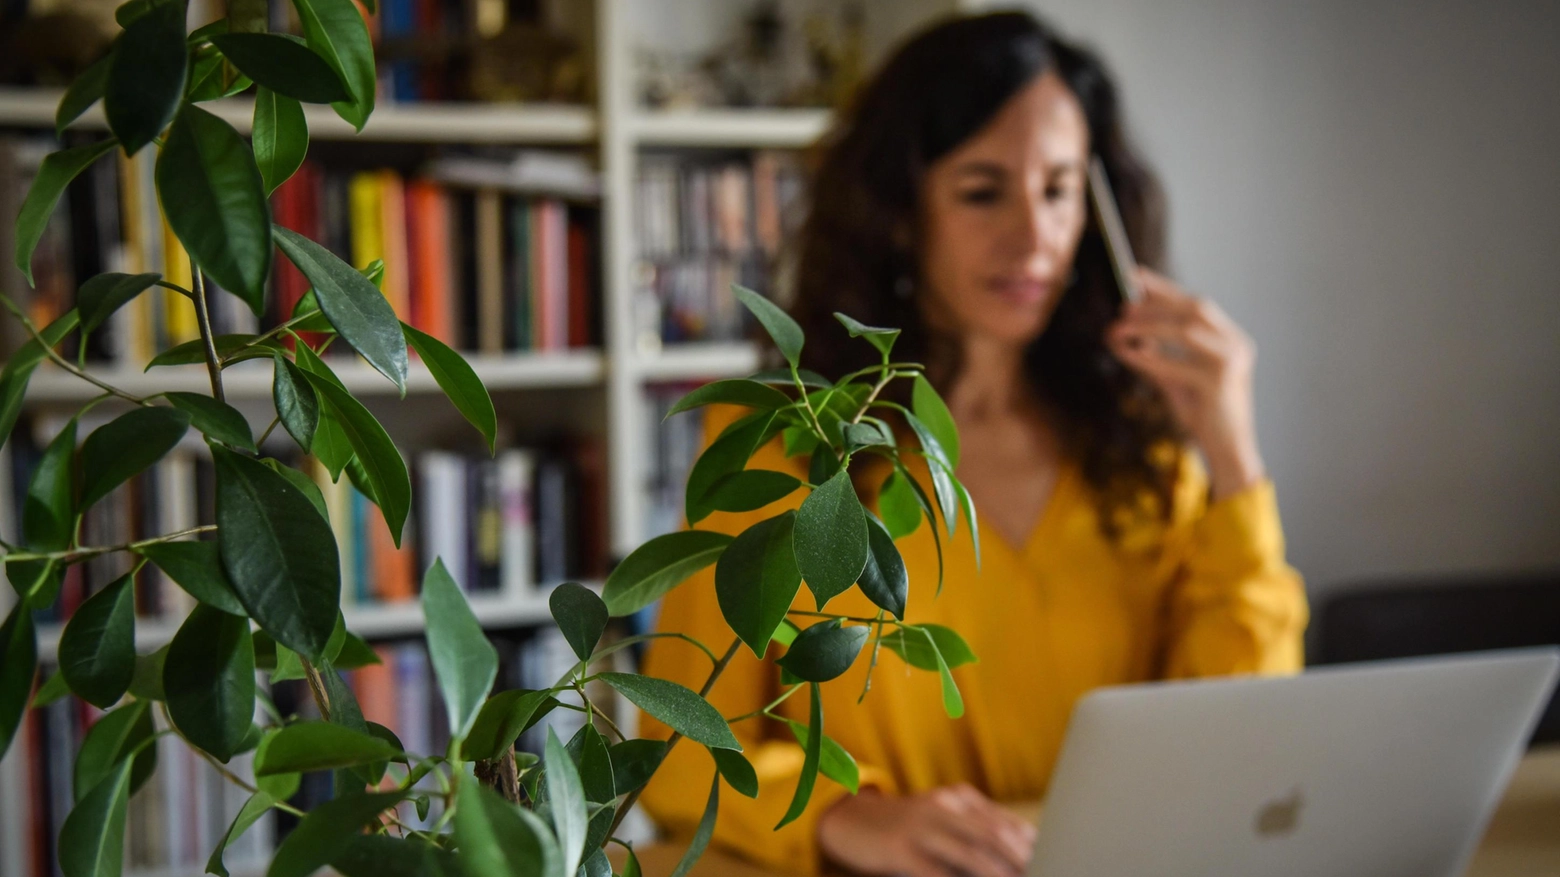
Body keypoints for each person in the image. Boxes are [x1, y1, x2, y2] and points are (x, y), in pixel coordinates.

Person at [637, 11, 1307, 877]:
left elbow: (1242, 738)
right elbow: (681, 747)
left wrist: (1234, 455)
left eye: (1060, 190)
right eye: (984, 191)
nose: (1035, 239)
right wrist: (848, 814)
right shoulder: (781, 446)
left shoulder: (1146, 446)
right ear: (899, 215)